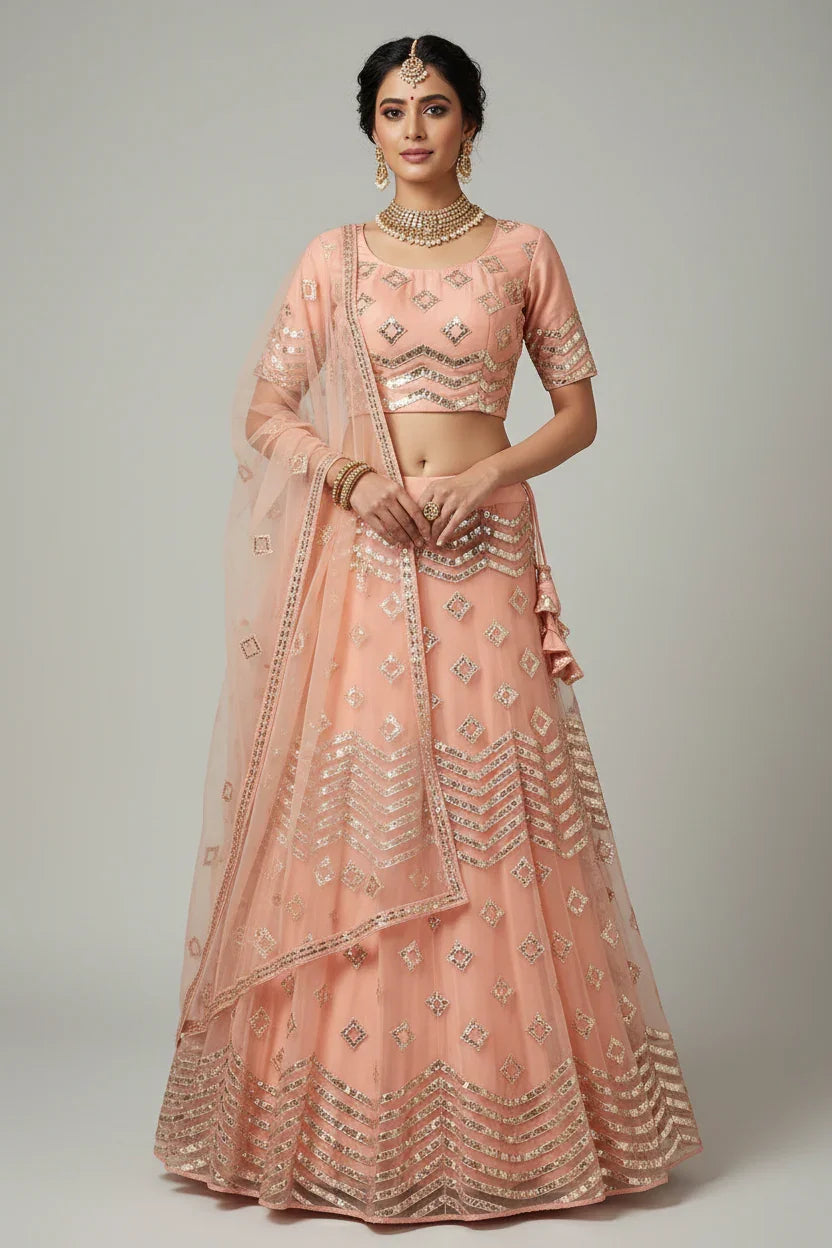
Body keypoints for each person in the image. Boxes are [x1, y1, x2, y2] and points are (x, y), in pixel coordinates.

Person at [153, 32, 703, 1224]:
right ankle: (342, 1119)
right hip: (368, 554)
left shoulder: (521, 251)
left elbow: (579, 412)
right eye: (393, 109)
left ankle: (514, 1117)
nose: (413, 128)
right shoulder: (333, 260)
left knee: (495, 799)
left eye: (436, 106)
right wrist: (350, 481)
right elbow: (265, 405)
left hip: (482, 548)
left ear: (471, 124)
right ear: (369, 131)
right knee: (371, 798)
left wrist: (488, 473)